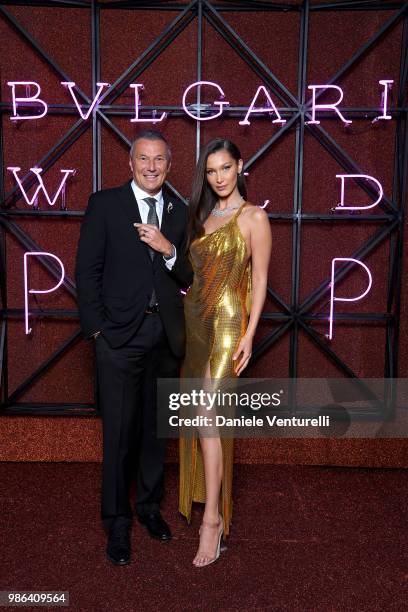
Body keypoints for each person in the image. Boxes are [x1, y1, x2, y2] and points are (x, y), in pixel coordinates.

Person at [75, 130, 192, 566]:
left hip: (163, 337)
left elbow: (187, 277)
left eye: (159, 159)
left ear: (168, 163)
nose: (151, 166)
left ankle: (147, 508)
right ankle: (117, 522)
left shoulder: (178, 212)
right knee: (119, 435)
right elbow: (86, 272)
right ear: (130, 162)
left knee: (155, 432)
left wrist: (167, 250)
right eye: (143, 158)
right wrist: (98, 333)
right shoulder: (106, 204)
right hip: (118, 339)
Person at [179, 138, 272, 567]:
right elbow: (193, 273)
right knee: (197, 416)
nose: (218, 178)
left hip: (229, 323)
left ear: (240, 165)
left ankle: (212, 521)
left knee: (206, 416)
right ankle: (206, 505)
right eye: (211, 171)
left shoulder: (254, 216)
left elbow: (260, 281)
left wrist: (250, 334)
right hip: (196, 322)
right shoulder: (202, 216)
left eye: (225, 168)